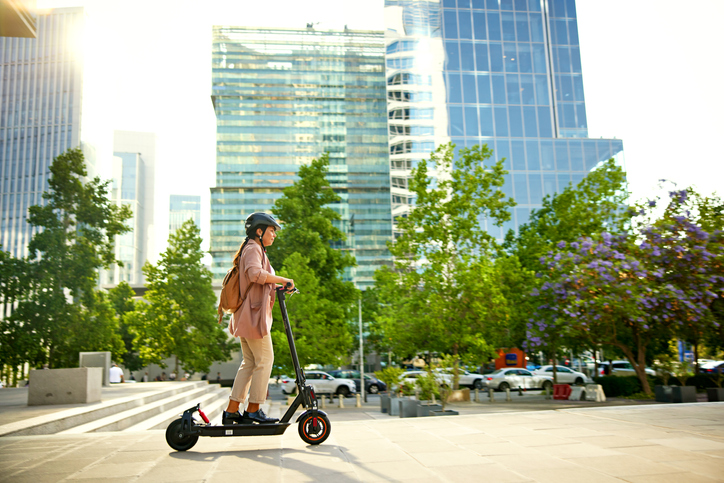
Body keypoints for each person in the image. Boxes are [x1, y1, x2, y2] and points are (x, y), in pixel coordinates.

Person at [222, 212, 294, 425]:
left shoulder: (253, 249)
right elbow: (254, 274)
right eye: (272, 231)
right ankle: (253, 409)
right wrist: (283, 279)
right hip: (253, 318)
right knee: (265, 360)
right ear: (259, 231)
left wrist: (278, 285)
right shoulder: (253, 248)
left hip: (246, 316)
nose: (274, 235)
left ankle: (232, 410)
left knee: (250, 363)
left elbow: (258, 280)